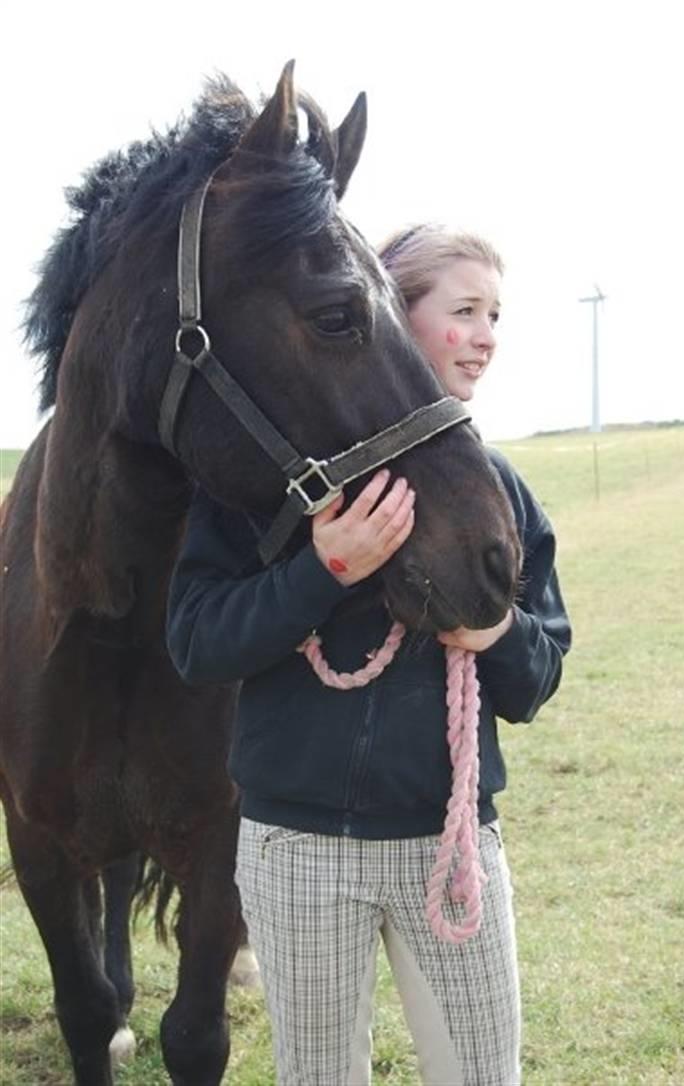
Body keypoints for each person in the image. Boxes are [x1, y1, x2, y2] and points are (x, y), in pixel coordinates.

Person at [166, 223, 571, 1085]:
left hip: (449, 848)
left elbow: (537, 681)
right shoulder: (258, 485)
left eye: (496, 314)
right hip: (297, 851)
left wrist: (495, 632)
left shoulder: (496, 491)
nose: (489, 335)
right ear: (394, 316)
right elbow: (198, 644)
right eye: (465, 310)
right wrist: (324, 570)